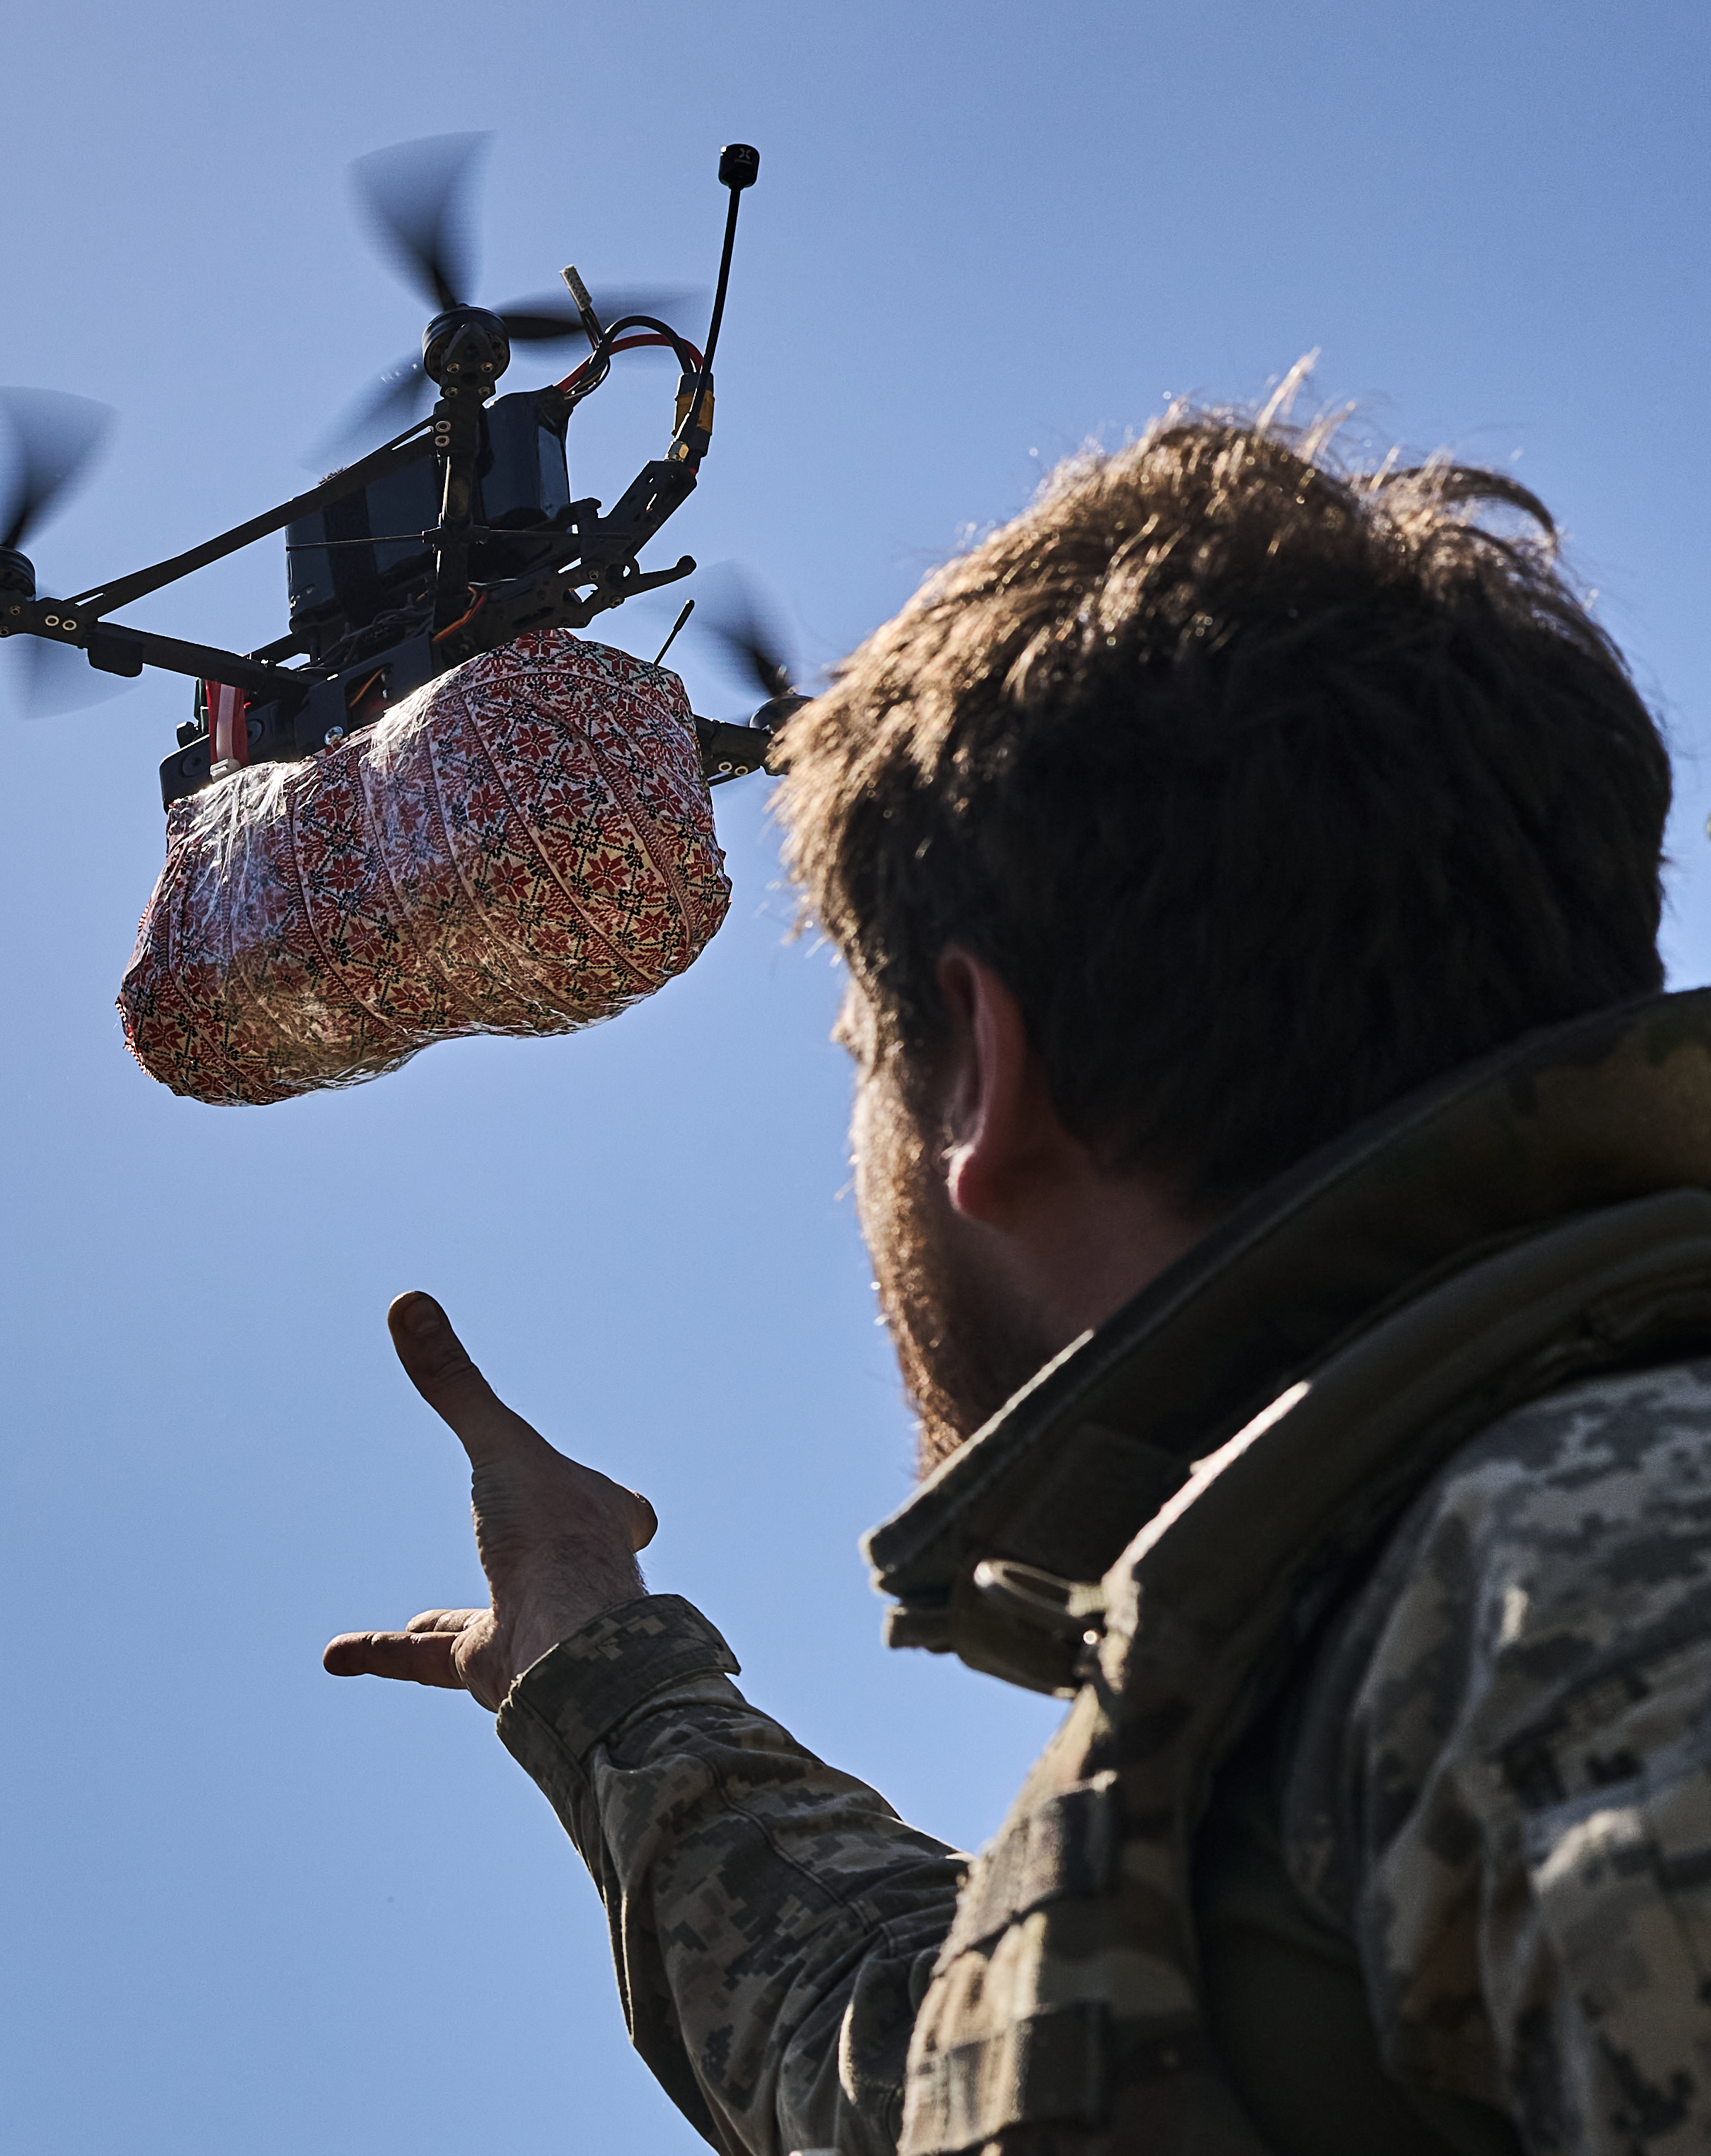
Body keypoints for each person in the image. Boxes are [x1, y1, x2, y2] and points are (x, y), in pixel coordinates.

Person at [325, 392, 1711, 2156]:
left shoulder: (1592, 1587)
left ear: (981, 1070)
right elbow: (929, 2076)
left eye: (867, 1058)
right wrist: (591, 1654)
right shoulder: (1356, 1691)